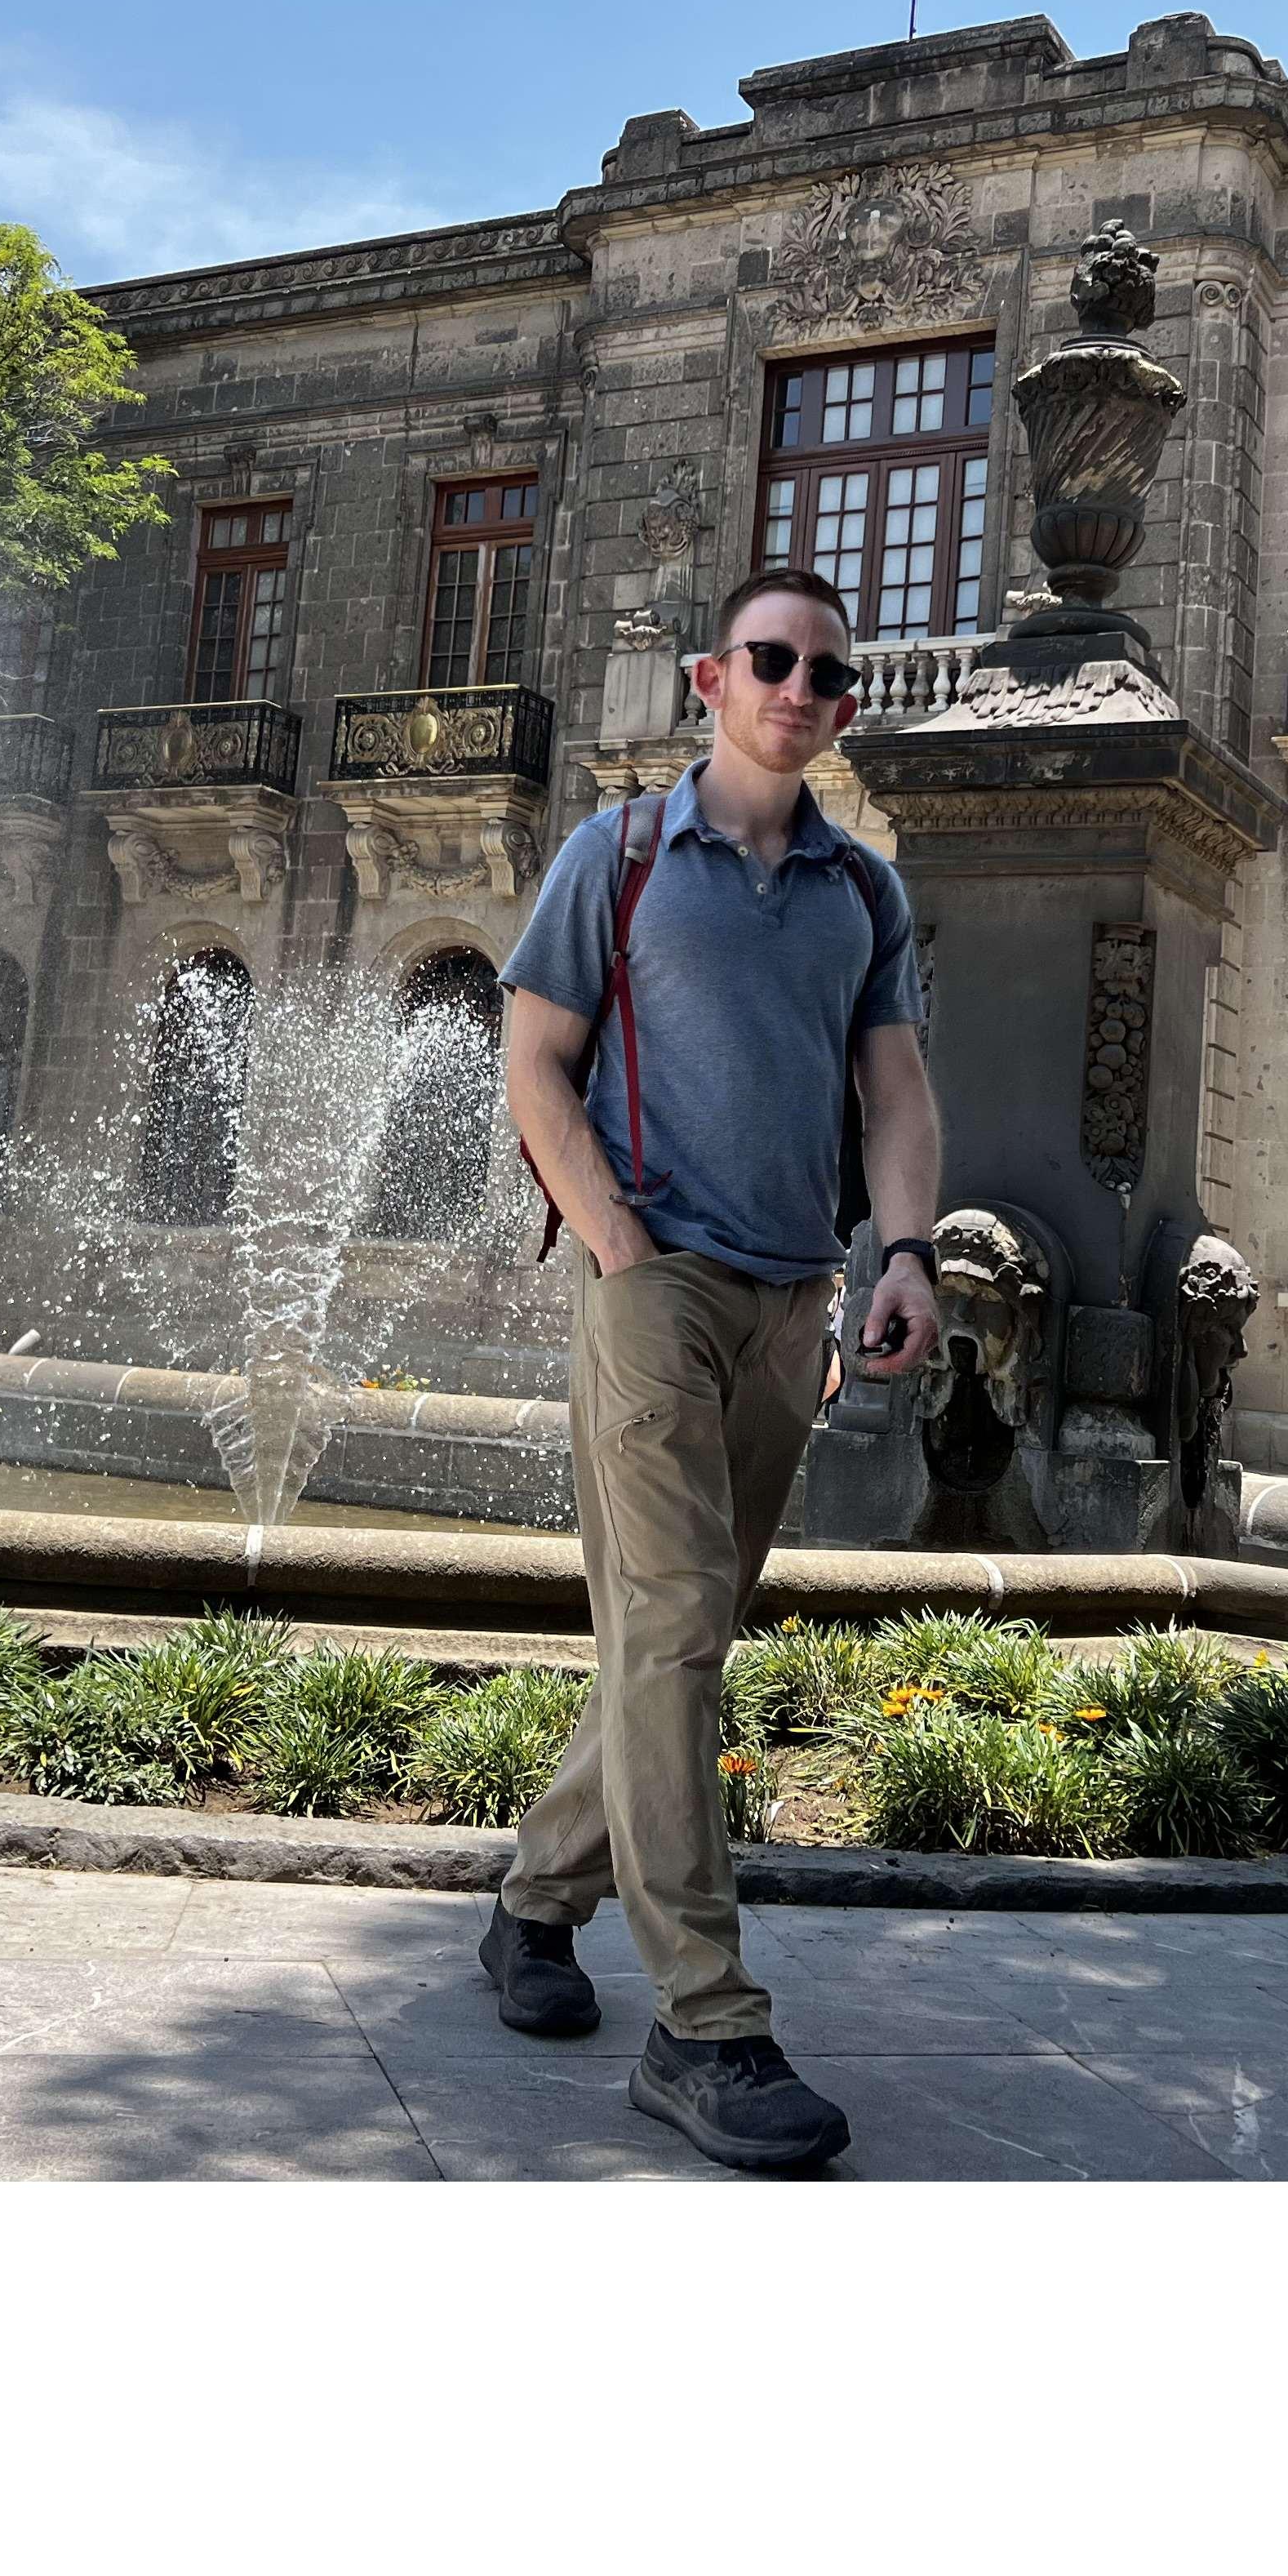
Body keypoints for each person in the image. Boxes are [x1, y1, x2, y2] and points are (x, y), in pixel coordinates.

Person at [487, 567, 944, 2174]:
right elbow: (534, 1059)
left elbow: (896, 1092)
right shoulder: (616, 855)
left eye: (827, 674)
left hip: (793, 1295)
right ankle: (704, 2024)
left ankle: (534, 1901)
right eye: (772, 660)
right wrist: (613, 1239)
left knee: (681, 1634)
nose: (799, 689)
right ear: (712, 678)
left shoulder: (861, 892)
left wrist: (906, 1254)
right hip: (654, 1286)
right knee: (677, 1619)